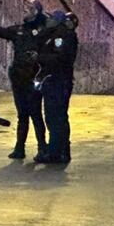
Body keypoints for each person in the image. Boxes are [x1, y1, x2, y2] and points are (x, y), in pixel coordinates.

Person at [0, 0, 47, 159]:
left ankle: (42, 148)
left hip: (33, 77)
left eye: (30, 8)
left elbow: (50, 53)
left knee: (36, 114)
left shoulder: (42, 32)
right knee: (22, 114)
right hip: (18, 78)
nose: (25, 10)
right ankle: (19, 148)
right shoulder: (18, 30)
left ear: (36, 12)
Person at [34, 10, 78, 164]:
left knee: (55, 118)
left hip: (58, 81)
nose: (48, 20)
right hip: (55, 80)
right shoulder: (54, 34)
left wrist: (38, 58)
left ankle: (55, 153)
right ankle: (60, 151)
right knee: (57, 117)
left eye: (51, 18)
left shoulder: (62, 35)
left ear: (58, 20)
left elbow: (60, 58)